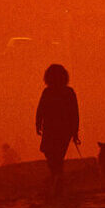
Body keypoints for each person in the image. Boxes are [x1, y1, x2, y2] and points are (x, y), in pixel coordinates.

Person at [34, 64, 80, 196]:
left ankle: (57, 182)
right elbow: (75, 114)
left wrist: (38, 124)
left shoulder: (48, 92)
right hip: (63, 131)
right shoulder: (68, 92)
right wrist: (74, 132)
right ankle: (58, 181)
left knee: (52, 156)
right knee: (57, 157)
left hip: (52, 130)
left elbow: (40, 110)